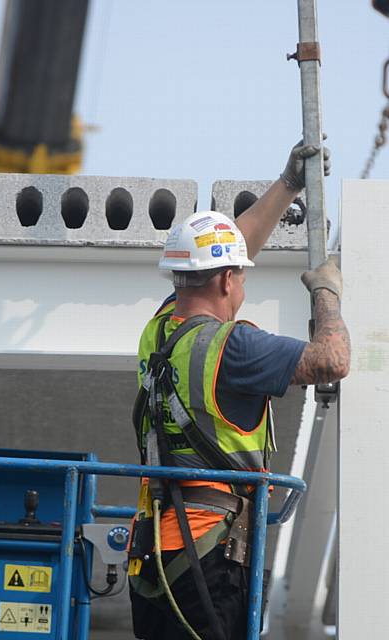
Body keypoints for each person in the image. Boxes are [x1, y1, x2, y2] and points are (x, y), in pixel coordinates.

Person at [128, 142, 350, 640]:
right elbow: (333, 359)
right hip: (211, 557)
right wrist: (326, 293)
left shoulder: (161, 330)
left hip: (153, 555)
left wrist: (287, 183)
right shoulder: (234, 347)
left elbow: (231, 246)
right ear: (228, 280)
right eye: (241, 276)